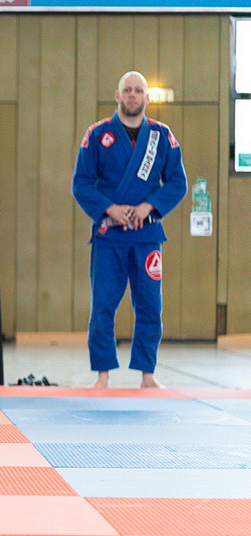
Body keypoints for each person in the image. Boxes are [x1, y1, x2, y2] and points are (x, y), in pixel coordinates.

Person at [72, 71, 188, 389]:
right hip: (109, 235)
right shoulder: (98, 133)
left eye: (138, 90)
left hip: (147, 236)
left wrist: (149, 206)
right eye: (127, 90)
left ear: (147, 97)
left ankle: (147, 374)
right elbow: (81, 184)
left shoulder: (162, 135)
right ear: (117, 95)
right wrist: (110, 209)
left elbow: (178, 183)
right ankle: (103, 374)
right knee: (103, 307)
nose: (133, 95)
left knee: (150, 306)